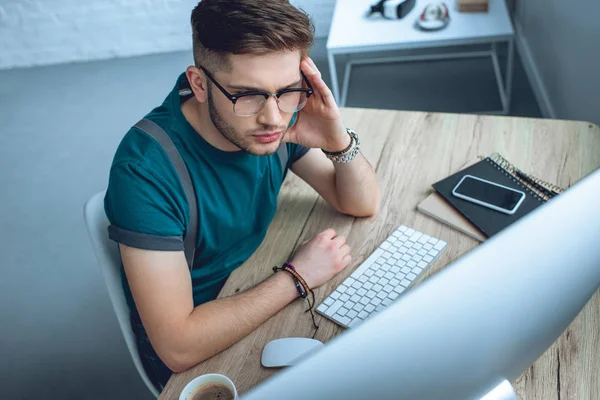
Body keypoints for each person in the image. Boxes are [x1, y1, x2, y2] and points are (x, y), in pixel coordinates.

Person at [104, 0, 380, 391]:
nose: (273, 118)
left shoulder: (279, 115)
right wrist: (297, 277)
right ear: (199, 84)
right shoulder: (144, 171)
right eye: (247, 95)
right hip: (202, 355)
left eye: (287, 91)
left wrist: (338, 139)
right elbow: (177, 347)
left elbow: (360, 203)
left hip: (255, 279)